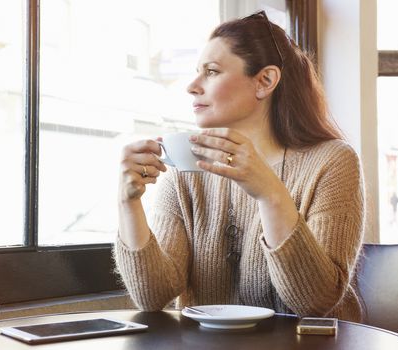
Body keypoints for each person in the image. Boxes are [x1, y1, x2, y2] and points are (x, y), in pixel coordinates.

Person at [114, 11, 365, 322]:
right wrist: (129, 203)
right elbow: (152, 297)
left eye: (211, 71)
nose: (192, 86)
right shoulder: (185, 169)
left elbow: (315, 303)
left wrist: (270, 193)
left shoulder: (332, 161)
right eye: (197, 72)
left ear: (265, 81)